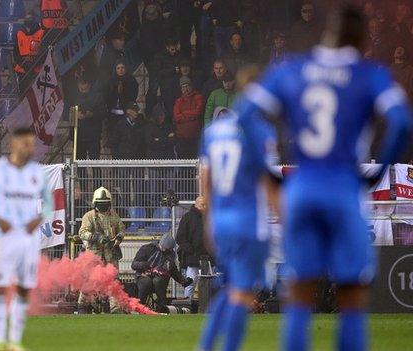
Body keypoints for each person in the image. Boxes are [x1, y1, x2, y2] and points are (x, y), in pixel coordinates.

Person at [235, 5, 412, 350]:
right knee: (351, 294)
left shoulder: (291, 69)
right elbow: (401, 121)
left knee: (300, 291)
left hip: (302, 190)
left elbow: (244, 115)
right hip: (344, 188)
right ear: (360, 37)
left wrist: (270, 177)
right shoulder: (368, 73)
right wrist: (379, 171)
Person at [197, 71, 278, 351]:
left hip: (222, 221)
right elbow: (267, 181)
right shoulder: (259, 131)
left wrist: (209, 219)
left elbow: (204, 175)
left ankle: (206, 346)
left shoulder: (213, 131)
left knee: (231, 289)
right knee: (243, 294)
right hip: (247, 221)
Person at [0, 127, 55, 351]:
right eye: (25, 143)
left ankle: (15, 341)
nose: (30, 148)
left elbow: (49, 204)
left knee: (23, 289)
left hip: (28, 241)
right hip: (4, 240)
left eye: (32, 144)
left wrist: (39, 219)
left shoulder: (38, 173)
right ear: (12, 143)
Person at [77, 186, 125, 313]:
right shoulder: (89, 216)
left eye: (106, 204)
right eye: (101, 204)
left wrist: (118, 238)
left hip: (110, 255)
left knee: (113, 281)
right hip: (94, 255)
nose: (104, 206)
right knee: (89, 281)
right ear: (95, 203)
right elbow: (82, 232)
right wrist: (95, 237)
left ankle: (115, 309)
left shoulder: (114, 216)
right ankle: (83, 306)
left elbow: (121, 229)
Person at [131, 233, 193, 313]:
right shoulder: (146, 249)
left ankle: (162, 307)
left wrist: (183, 281)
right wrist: (144, 265)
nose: (165, 250)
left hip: (160, 279)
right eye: (164, 248)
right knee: (146, 282)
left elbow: (173, 270)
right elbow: (134, 265)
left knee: (158, 281)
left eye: (168, 249)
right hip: (143, 276)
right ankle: (140, 307)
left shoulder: (170, 255)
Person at [175, 196, 212, 299]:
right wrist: (191, 250)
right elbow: (180, 238)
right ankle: (188, 305)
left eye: (206, 204)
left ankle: (209, 306)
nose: (204, 207)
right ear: (196, 204)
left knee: (210, 284)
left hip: (209, 258)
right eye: (202, 204)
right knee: (190, 284)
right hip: (193, 258)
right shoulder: (188, 217)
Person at [73, 77, 106, 160]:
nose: (83, 91)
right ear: (78, 86)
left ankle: (96, 173)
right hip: (79, 134)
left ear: (89, 86)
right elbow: (66, 113)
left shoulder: (98, 97)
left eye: (86, 89)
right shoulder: (73, 97)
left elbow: (103, 113)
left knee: (95, 161)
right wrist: (75, 115)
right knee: (79, 163)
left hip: (93, 134)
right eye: (81, 89)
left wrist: (92, 114)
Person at [150, 37, 183, 117]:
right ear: (167, 47)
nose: (174, 51)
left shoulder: (179, 55)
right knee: (168, 110)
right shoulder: (159, 57)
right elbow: (158, 72)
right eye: (172, 49)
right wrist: (173, 70)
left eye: (175, 49)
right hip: (166, 88)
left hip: (178, 87)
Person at [104, 60, 138, 136]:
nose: (120, 70)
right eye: (118, 68)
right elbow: (107, 97)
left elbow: (132, 97)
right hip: (112, 114)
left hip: (126, 113)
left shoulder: (132, 81)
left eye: (122, 68)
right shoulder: (111, 81)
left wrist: (122, 92)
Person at [173, 76, 204, 158]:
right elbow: (176, 117)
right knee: (182, 164)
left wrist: (183, 113)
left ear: (191, 86)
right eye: (183, 87)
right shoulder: (178, 101)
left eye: (187, 86)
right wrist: (191, 117)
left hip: (194, 137)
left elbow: (197, 112)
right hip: (181, 138)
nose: (185, 89)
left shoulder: (198, 97)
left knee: (194, 163)